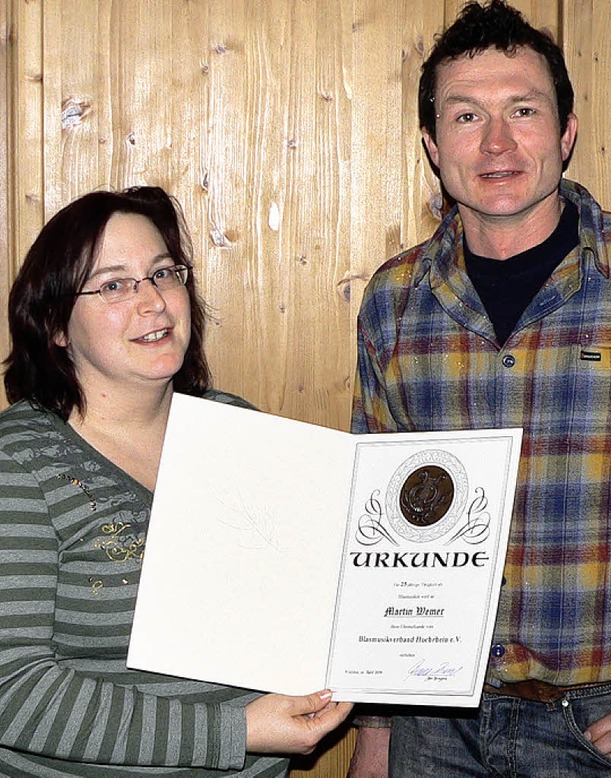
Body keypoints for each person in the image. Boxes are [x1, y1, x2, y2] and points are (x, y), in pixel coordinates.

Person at [349, 1, 611, 776]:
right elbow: (370, 523)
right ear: (432, 145)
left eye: (523, 110)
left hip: (605, 726)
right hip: (431, 719)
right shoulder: (393, 298)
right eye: (467, 115)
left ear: (566, 130)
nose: (498, 142)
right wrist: (374, 735)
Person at [0, 185, 352, 776]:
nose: (154, 303)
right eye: (113, 285)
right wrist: (235, 733)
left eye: (163, 274)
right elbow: (11, 689)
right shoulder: (19, 461)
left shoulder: (240, 428)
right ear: (54, 324)